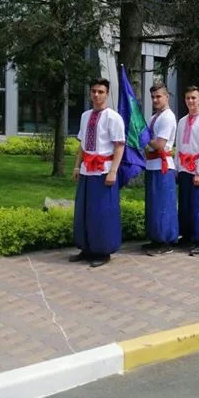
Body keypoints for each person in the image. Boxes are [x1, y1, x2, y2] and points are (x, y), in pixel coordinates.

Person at [71, 78, 125, 268]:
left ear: (107, 94)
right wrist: (77, 166)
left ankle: (102, 251)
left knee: (102, 212)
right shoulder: (85, 116)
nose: (96, 95)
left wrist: (113, 171)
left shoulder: (113, 118)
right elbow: (82, 145)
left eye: (100, 92)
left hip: (103, 171)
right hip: (87, 170)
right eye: (93, 91)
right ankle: (86, 247)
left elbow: (119, 146)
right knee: (84, 211)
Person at [175, 86, 199, 256]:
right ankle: (187, 235)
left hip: (197, 169)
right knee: (185, 204)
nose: (190, 101)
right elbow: (178, 145)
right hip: (184, 168)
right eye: (188, 98)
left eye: (193, 98)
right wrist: (177, 167)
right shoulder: (181, 121)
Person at [143, 82, 179, 256]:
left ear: (167, 97)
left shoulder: (167, 117)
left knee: (163, 205)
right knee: (153, 204)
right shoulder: (153, 118)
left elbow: (159, 144)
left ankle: (166, 241)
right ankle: (156, 238)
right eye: (153, 97)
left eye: (159, 96)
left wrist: (144, 138)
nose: (155, 100)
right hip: (152, 165)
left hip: (162, 167)